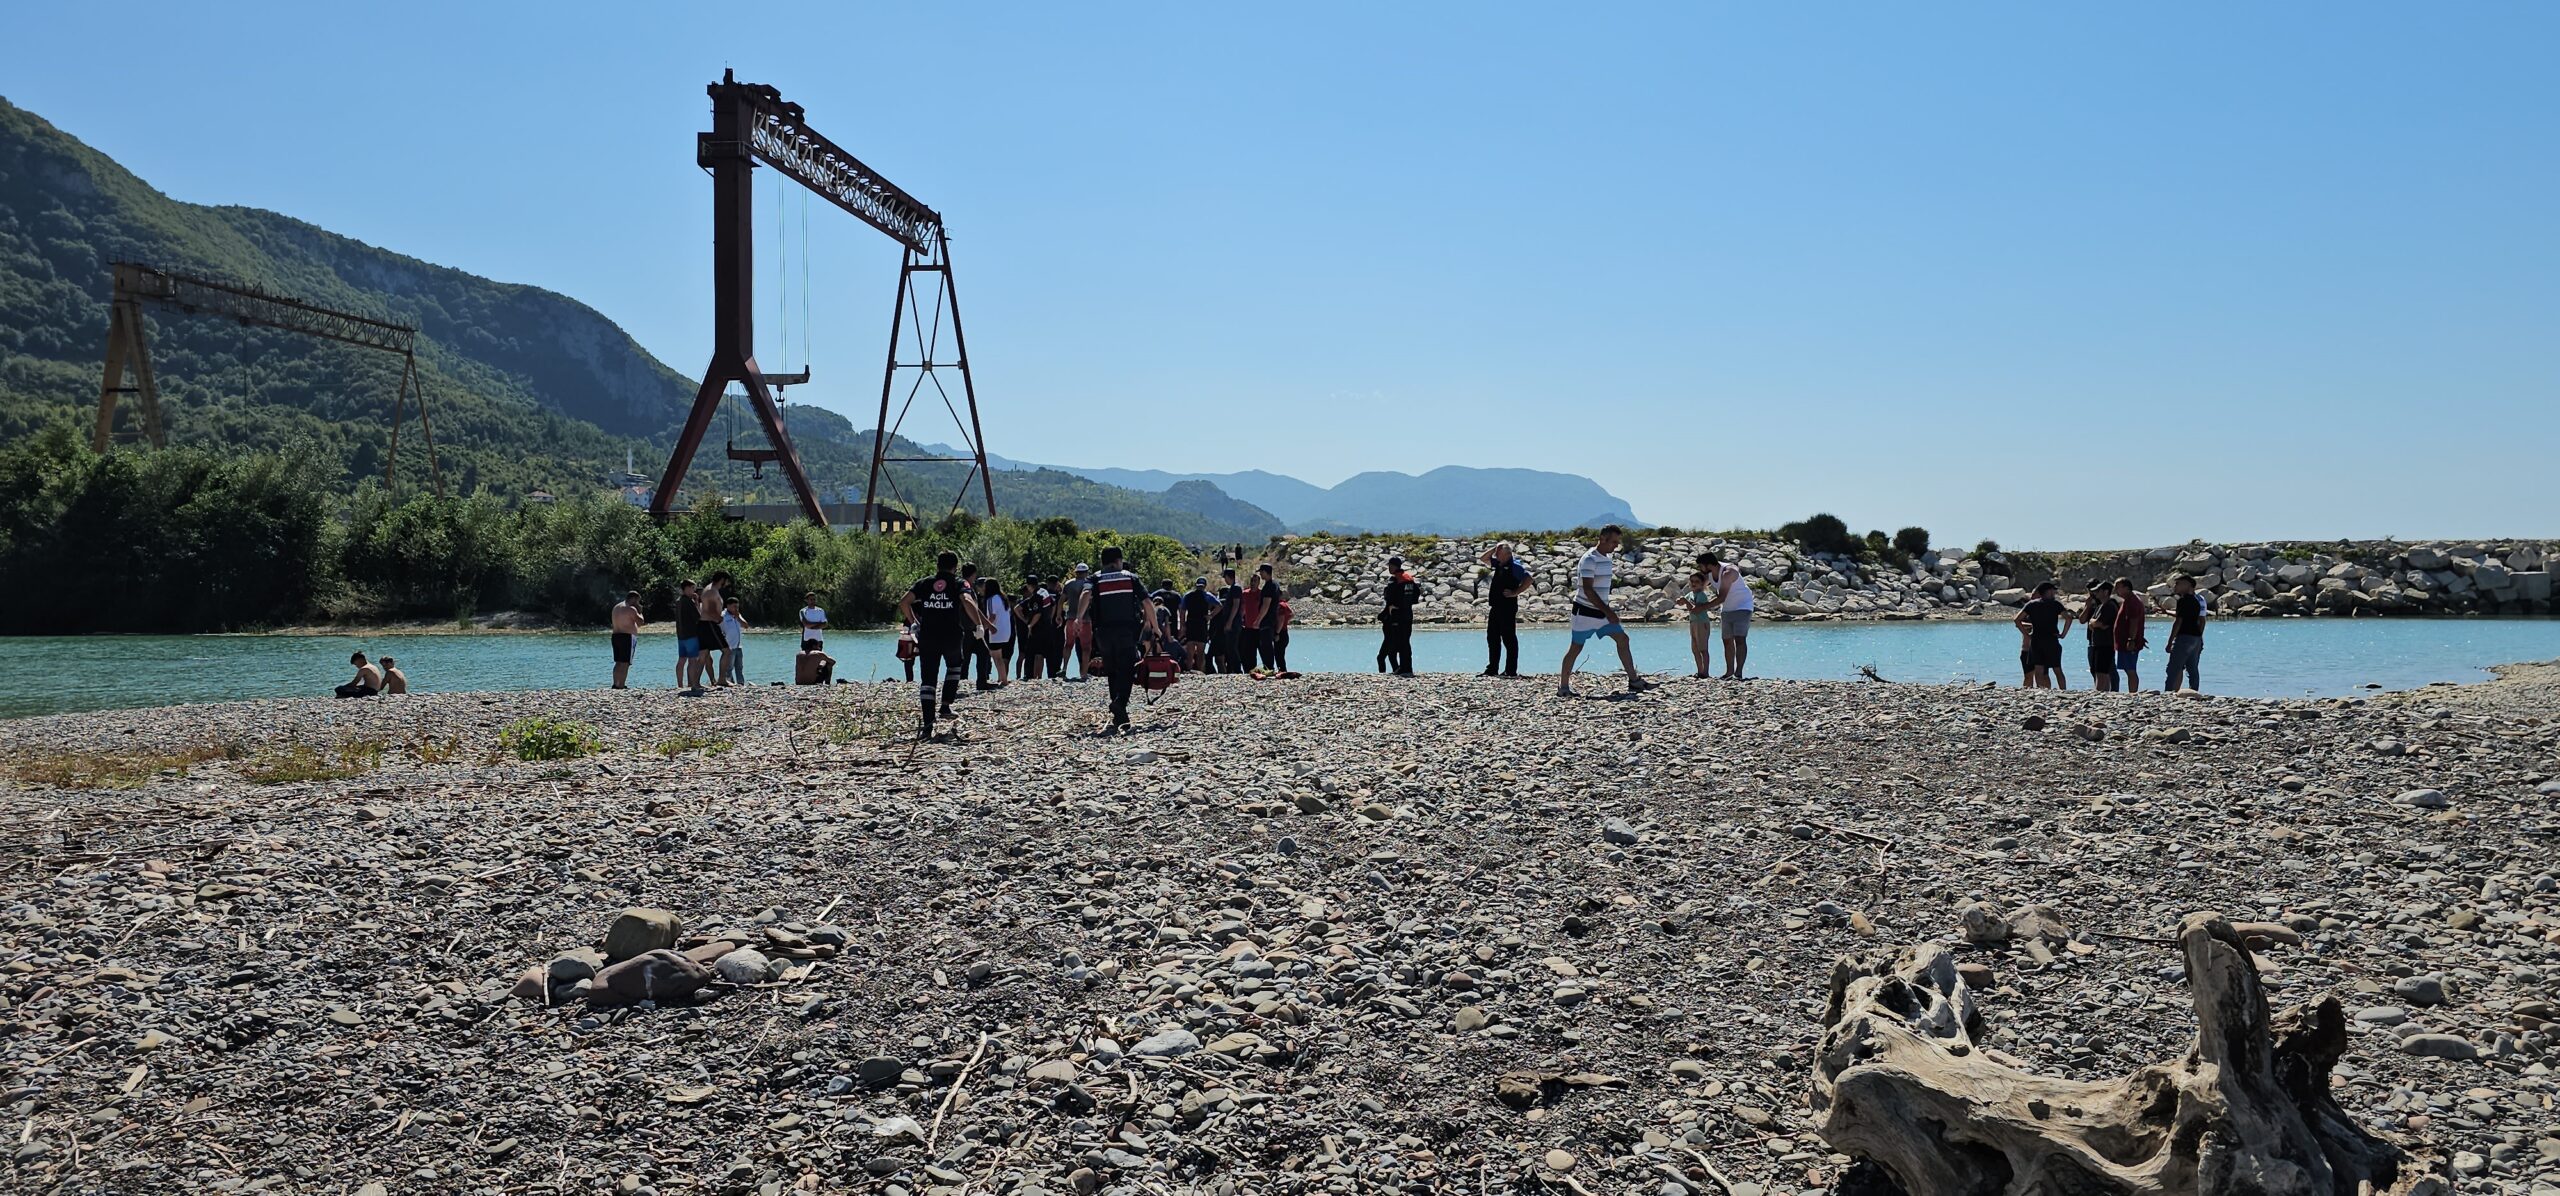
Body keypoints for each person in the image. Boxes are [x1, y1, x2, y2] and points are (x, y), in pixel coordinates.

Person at [1072, 545, 1163, 734]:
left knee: (1111, 669)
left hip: (1103, 632)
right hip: (1126, 630)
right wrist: (1155, 627)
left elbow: (1086, 594)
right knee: (1127, 668)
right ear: (1118, 561)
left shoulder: (1094, 578)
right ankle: (1120, 702)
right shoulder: (1130, 577)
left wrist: (1078, 618)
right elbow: (1147, 602)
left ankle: (1118, 714)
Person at [1558, 526, 1655, 697]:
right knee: (1576, 647)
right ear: (1602, 538)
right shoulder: (1589, 559)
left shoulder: (1607, 559)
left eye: (1618, 542)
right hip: (1585, 612)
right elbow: (1588, 589)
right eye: (1614, 542)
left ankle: (1634, 681)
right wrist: (1608, 611)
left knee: (1623, 639)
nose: (1616, 546)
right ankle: (1563, 687)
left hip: (1602, 613)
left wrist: (1606, 611)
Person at [899, 551, 985, 740]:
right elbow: (967, 600)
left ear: (937, 565)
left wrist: (914, 621)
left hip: (928, 636)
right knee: (955, 665)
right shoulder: (960, 583)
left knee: (928, 680)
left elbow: (904, 602)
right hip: (951, 635)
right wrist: (978, 624)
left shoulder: (924, 583)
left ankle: (928, 726)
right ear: (955, 567)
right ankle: (946, 705)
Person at [1477, 541, 1533, 677]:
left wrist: (1515, 592)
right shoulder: (1499, 564)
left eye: (1498, 553)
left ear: (1507, 554)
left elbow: (1529, 579)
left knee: (1508, 638)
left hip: (1507, 607)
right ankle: (1492, 668)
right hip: (1495, 606)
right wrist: (1494, 548)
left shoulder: (1515, 566)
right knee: (1492, 637)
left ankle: (1510, 670)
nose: (1496, 555)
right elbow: (1483, 559)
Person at [2014, 581, 2073, 689]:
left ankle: (2041, 691)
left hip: (2036, 640)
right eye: (2053, 591)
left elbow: (2017, 619)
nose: (2054, 594)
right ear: (2048, 591)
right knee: (2057, 669)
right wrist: (2063, 634)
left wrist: (2027, 635)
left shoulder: (2031, 605)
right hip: (2052, 639)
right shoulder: (2055, 604)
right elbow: (2069, 618)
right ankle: (2063, 690)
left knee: (2039, 669)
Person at [1708, 550, 1753, 681]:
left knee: (1740, 639)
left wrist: (1701, 608)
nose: (1700, 569)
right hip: (1727, 609)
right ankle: (1729, 672)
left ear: (1709, 565)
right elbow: (1699, 584)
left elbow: (1721, 597)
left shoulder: (1729, 572)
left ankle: (1738, 673)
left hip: (1743, 606)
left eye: (1701, 566)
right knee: (1727, 641)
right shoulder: (1709, 574)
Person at [2164, 575, 2208, 693]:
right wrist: (2199, 638)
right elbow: (2194, 618)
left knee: (2173, 668)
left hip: (2184, 637)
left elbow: (2179, 621)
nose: (2175, 586)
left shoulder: (2183, 601)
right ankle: (2194, 692)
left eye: (2178, 584)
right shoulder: (2196, 601)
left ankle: (2167, 693)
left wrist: (2169, 642)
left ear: (2187, 585)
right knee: (2192, 668)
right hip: (2195, 637)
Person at [1378, 556, 1422, 675]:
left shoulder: (1395, 579)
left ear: (1393, 566)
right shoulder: (1409, 578)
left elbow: (1389, 596)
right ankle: (1407, 667)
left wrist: (1393, 605)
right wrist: (1407, 604)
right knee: (1406, 641)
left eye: (1390, 566)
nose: (1389, 568)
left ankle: (1403, 668)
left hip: (1397, 614)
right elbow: (1416, 594)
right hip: (1408, 613)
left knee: (1399, 641)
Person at [2111, 577, 2149, 692]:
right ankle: (2132, 691)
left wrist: (2131, 639)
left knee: (2130, 669)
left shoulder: (2133, 602)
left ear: (2127, 588)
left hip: (2129, 642)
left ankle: (2133, 692)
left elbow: (2134, 621)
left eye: (2118, 587)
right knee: (2128, 668)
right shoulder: (2127, 601)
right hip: (2124, 641)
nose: (2116, 590)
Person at [2080, 581, 2119, 692]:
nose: (2094, 593)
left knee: (2103, 671)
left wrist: (2093, 623)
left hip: (2106, 643)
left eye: (2098, 591)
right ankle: (2104, 692)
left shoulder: (2110, 605)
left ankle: (2102, 692)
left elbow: (2099, 624)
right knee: (2097, 670)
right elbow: (2088, 621)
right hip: (2096, 642)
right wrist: (2092, 621)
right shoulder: (2099, 606)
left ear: (2105, 592)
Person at [696, 572, 731, 690]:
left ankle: (695, 683)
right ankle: (722, 679)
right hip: (709, 624)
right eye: (726, 580)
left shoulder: (710, 589)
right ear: (722, 580)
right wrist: (719, 619)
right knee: (726, 651)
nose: (727, 583)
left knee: (703, 654)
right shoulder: (712, 591)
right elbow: (709, 610)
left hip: (705, 624)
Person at [1059, 564, 1094, 681]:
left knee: (1068, 644)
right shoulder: (1089, 584)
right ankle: (1084, 673)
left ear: (1076, 572)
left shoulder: (1068, 584)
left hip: (1070, 619)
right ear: (1086, 572)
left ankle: (1064, 669)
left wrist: (1059, 614)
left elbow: (1061, 600)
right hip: (1085, 619)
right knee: (1086, 647)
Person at [1679, 571, 1716, 679]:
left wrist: (1686, 602)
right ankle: (1699, 671)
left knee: (1703, 648)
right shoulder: (1691, 594)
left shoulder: (1701, 595)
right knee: (1695, 648)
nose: (1694, 583)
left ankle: (1706, 672)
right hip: (1693, 622)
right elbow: (1684, 602)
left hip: (1701, 622)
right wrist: (1680, 601)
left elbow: (1695, 610)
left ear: (1702, 583)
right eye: (1692, 581)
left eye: (1697, 582)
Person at [1180, 577, 1219, 672]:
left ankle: (1189, 671)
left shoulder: (1188, 595)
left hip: (1191, 623)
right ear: (1205, 586)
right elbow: (1219, 606)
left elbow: (1182, 610)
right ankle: (1201, 672)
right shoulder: (1207, 595)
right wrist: (1210, 616)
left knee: (1190, 652)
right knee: (1201, 653)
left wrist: (1183, 625)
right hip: (1202, 624)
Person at [672, 580, 705, 693]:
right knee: (692, 660)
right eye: (692, 588)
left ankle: (680, 685)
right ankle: (693, 684)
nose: (693, 591)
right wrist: (696, 602)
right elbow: (698, 617)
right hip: (691, 634)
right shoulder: (689, 602)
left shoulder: (678, 601)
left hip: (681, 635)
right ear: (686, 588)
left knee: (681, 660)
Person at [981, 578, 1014, 687]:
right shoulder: (1003, 598)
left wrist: (984, 628)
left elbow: (992, 616)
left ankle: (1003, 680)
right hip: (1006, 631)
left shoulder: (991, 599)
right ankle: (1001, 677)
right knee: (997, 655)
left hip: (996, 631)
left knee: (996, 656)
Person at [1250, 563, 1283, 671]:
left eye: (1261, 572)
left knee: (1266, 646)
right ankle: (1269, 667)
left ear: (1265, 572)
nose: (1260, 574)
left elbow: (1266, 604)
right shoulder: (1275, 584)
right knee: (1267, 645)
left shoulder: (1269, 586)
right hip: (1272, 619)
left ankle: (1269, 668)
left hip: (1267, 620)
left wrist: (1258, 620)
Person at [610, 590, 644, 689]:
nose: (638, 603)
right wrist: (640, 611)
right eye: (637, 601)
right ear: (633, 599)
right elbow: (640, 622)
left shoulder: (616, 607)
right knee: (625, 663)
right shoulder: (631, 609)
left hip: (616, 636)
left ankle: (615, 683)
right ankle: (621, 685)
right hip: (627, 637)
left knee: (618, 662)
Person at [718, 597, 748, 686]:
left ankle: (741, 683)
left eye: (737, 607)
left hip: (738, 646)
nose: (736, 609)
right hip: (729, 646)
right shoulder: (723, 616)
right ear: (728, 606)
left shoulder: (737, 615)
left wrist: (738, 617)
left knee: (739, 667)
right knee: (729, 667)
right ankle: (729, 682)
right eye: (734, 606)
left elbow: (746, 626)